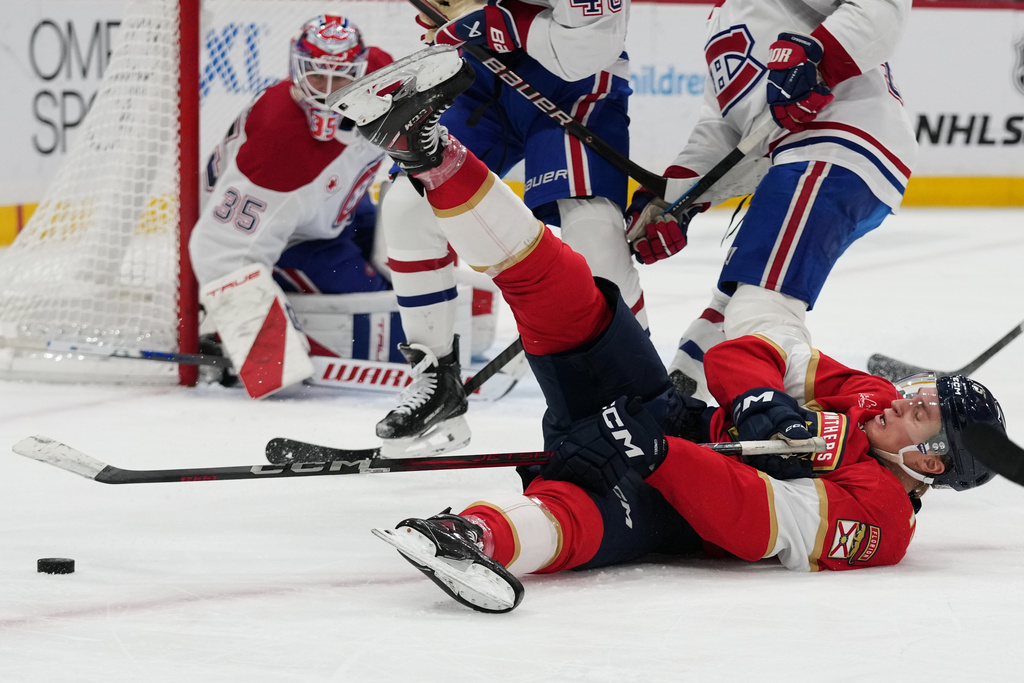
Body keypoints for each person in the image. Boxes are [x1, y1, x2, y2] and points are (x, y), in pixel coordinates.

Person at [330, 46, 1007, 613]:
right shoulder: (861, 395)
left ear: (931, 462)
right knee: (574, 293)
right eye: (920, 389)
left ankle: (464, 532)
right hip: (660, 414)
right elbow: (750, 349)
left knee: (576, 517)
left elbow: (755, 521)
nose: (902, 396)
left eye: (922, 410)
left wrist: (657, 457)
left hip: (671, 506)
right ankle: (428, 150)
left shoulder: (880, 523)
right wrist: (753, 398)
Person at [371, 0, 648, 455]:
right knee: (406, 205)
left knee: (592, 230)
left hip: (571, 87)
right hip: (480, 79)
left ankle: (642, 393)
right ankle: (435, 378)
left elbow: (587, 50)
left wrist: (510, 22)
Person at [625, 0, 918, 402]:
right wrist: (674, 197)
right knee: (723, 319)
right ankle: (683, 422)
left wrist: (819, 59)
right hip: (799, 159)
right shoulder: (721, 20)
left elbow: (881, 7)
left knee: (760, 311)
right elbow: (725, 131)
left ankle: (852, 420)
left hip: (837, 144)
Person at [189, 15, 394, 399]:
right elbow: (219, 249)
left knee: (404, 253)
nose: (329, 92)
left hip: (333, 209)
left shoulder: (384, 77)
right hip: (283, 235)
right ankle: (215, 319)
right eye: (317, 78)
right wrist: (266, 349)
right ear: (296, 69)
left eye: (342, 78)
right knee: (379, 306)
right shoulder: (279, 148)